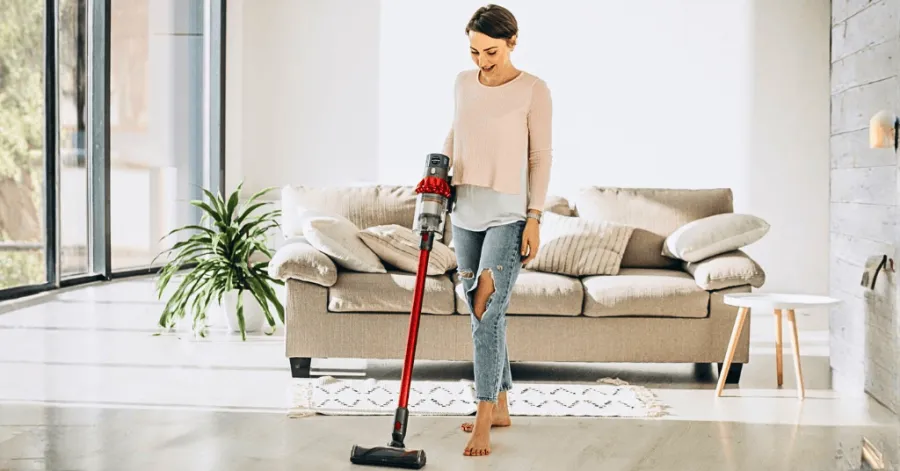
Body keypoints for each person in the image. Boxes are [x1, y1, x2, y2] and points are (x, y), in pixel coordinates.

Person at [440, 4, 553, 457]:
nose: (481, 61)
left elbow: (540, 157)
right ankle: (502, 403)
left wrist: (535, 216)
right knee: (479, 310)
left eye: (490, 51)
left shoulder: (533, 89)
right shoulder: (463, 83)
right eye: (473, 51)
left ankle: (484, 415)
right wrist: (437, 172)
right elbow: (455, 133)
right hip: (464, 210)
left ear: (512, 43)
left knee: (487, 307)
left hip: (508, 214)